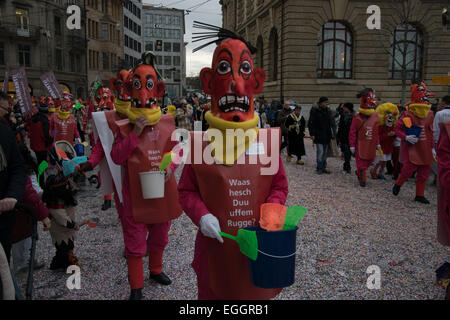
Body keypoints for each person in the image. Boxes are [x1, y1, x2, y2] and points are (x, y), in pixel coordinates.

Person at [178, 24, 288, 300]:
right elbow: (186, 190)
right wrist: (201, 215)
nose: (236, 84)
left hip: (257, 247)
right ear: (208, 81)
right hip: (215, 247)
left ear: (256, 82)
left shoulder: (267, 143)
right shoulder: (201, 145)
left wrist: (273, 212)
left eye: (245, 71)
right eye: (225, 69)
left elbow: (279, 185)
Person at [110, 53, 182, 300]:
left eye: (149, 85)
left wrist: (169, 169)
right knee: (135, 242)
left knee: (161, 235)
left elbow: (177, 152)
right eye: (138, 85)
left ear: (158, 90)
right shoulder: (124, 125)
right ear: (130, 89)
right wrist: (134, 133)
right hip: (135, 196)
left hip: (161, 191)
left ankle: (156, 270)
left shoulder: (166, 122)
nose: (143, 92)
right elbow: (117, 156)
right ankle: (136, 286)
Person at [393, 81, 435, 204]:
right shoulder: (408, 114)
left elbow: (430, 132)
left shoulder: (430, 115)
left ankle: (419, 195)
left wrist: (432, 147)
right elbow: (397, 129)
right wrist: (406, 137)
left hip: (426, 148)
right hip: (413, 148)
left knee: (424, 172)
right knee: (407, 170)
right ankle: (398, 184)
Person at [0, 92, 27, 264]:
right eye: (5, 109)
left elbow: (18, 168)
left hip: (3, 213)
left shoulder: (4, 133)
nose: (7, 113)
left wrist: (12, 196)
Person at [349, 88, 380, 187]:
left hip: (370, 143)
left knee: (370, 160)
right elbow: (352, 132)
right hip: (360, 144)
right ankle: (363, 179)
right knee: (361, 162)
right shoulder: (357, 117)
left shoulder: (375, 116)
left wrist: (378, 143)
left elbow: (376, 131)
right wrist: (352, 145)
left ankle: (359, 172)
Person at [370, 103, 399, 180]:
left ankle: (380, 173)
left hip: (388, 146)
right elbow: (378, 137)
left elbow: (394, 135)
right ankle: (373, 171)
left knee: (385, 162)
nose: (390, 119)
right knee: (380, 161)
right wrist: (388, 135)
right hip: (382, 147)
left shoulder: (392, 126)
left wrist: (394, 134)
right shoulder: (380, 127)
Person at [308, 97, 334, 174]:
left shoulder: (328, 111)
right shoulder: (315, 111)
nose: (326, 104)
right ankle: (319, 168)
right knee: (320, 152)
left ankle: (323, 167)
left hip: (326, 135)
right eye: (325, 102)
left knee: (325, 153)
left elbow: (331, 123)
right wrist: (312, 134)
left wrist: (332, 133)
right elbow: (311, 123)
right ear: (321, 103)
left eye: (327, 102)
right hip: (318, 134)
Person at [336, 102, 354, 174]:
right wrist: (339, 136)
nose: (343, 109)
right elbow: (340, 126)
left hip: (351, 136)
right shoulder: (343, 115)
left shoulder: (354, 116)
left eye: (345, 107)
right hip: (344, 136)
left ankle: (347, 166)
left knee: (348, 152)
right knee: (346, 152)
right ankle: (347, 167)